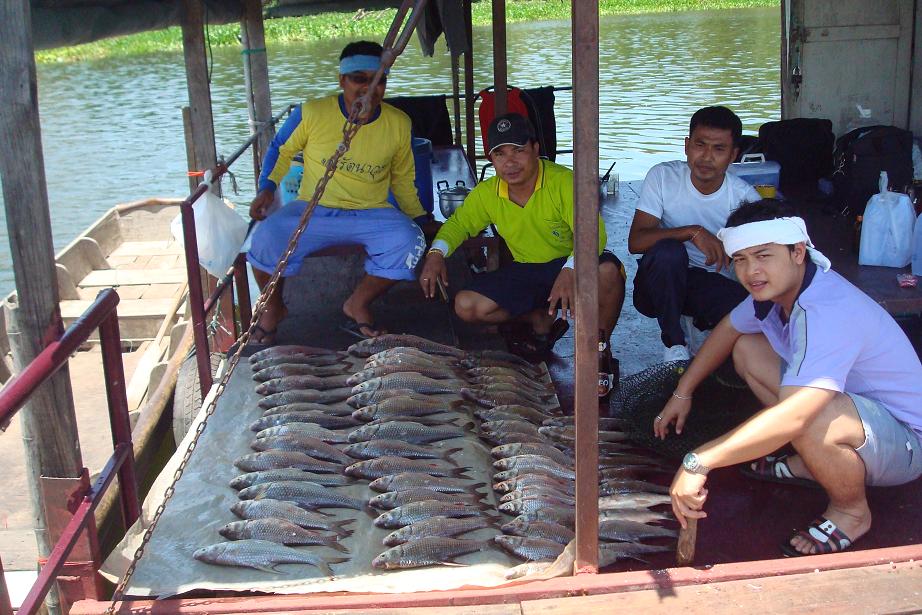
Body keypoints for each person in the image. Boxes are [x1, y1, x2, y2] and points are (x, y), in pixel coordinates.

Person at [656, 199, 922, 556]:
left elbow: (798, 413)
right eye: (741, 259)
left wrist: (699, 461)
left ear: (798, 251)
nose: (751, 272)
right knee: (747, 350)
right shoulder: (776, 292)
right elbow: (727, 330)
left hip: (907, 442)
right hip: (862, 416)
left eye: (764, 256)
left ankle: (851, 512)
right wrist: (682, 392)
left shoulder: (826, 310)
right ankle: (816, 462)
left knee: (810, 412)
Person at [418, 113, 626, 396]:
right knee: (466, 305)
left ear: (536, 149)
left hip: (571, 262)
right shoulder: (488, 192)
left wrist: (571, 269)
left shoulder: (564, 182)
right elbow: (458, 225)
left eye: (518, 150)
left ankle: (599, 351)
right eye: (500, 153)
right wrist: (435, 253)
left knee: (609, 272)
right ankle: (539, 318)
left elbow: (593, 233)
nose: (510, 162)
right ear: (491, 159)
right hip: (527, 268)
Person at [246, 40, 431, 342]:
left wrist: (419, 218)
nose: (369, 89)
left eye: (378, 81)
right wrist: (266, 188)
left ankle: (357, 303)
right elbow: (280, 149)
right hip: (312, 211)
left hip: (371, 212)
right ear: (342, 80)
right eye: (360, 79)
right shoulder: (312, 113)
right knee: (265, 239)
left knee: (410, 242)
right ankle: (273, 308)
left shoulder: (399, 123)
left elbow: (403, 178)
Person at [628, 106, 761, 362]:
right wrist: (692, 232)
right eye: (700, 145)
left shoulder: (744, 197)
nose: (706, 157)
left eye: (719, 149)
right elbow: (636, 242)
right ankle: (674, 344)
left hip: (708, 285)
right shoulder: (663, 176)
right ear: (687, 145)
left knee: (753, 307)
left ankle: (702, 331)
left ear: (733, 155)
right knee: (668, 251)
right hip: (658, 285)